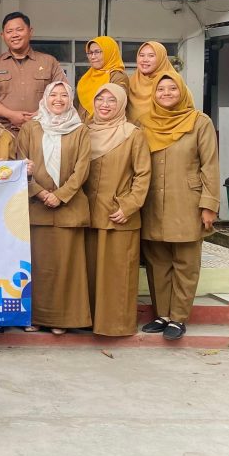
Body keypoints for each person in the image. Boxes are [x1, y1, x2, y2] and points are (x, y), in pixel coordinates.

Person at [139, 71, 219, 341]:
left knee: (186, 262)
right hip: (152, 203)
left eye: (172, 88)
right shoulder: (145, 123)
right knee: (157, 262)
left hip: (187, 202)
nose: (166, 93)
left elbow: (210, 165)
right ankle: (162, 315)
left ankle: (178, 318)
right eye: (160, 89)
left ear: (182, 91)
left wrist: (209, 205)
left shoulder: (199, 122)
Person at [16, 81, 92, 336]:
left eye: (64, 95)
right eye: (53, 95)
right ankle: (36, 317)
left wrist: (60, 195)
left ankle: (63, 318)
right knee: (39, 268)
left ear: (70, 100)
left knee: (66, 268)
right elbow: (19, 163)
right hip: (36, 209)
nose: (58, 99)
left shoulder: (80, 130)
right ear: (45, 99)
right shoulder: (30, 128)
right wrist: (39, 192)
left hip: (68, 209)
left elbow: (82, 168)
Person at [83, 84, 151, 337]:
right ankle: (86, 321)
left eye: (112, 100)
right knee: (89, 273)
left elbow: (143, 174)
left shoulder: (132, 134)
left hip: (118, 214)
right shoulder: (83, 132)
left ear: (121, 104)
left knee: (117, 274)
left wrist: (129, 205)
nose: (105, 105)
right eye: (100, 99)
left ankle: (116, 325)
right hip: (87, 215)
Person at [0, 12, 67, 132]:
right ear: (3, 36)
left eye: (19, 30)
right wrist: (10, 115)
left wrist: (40, 114)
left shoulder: (49, 62)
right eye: (9, 31)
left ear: (30, 31)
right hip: (3, 133)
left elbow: (65, 94)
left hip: (43, 132)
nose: (14, 35)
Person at [76, 36, 130, 120]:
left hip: (104, 125)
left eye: (97, 52)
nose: (93, 57)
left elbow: (116, 106)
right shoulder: (87, 76)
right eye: (90, 53)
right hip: (83, 125)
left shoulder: (117, 76)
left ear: (109, 52)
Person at [127, 41, 179, 123]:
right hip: (133, 130)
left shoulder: (174, 82)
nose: (145, 60)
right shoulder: (130, 82)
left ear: (161, 58)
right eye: (141, 55)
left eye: (151, 56)